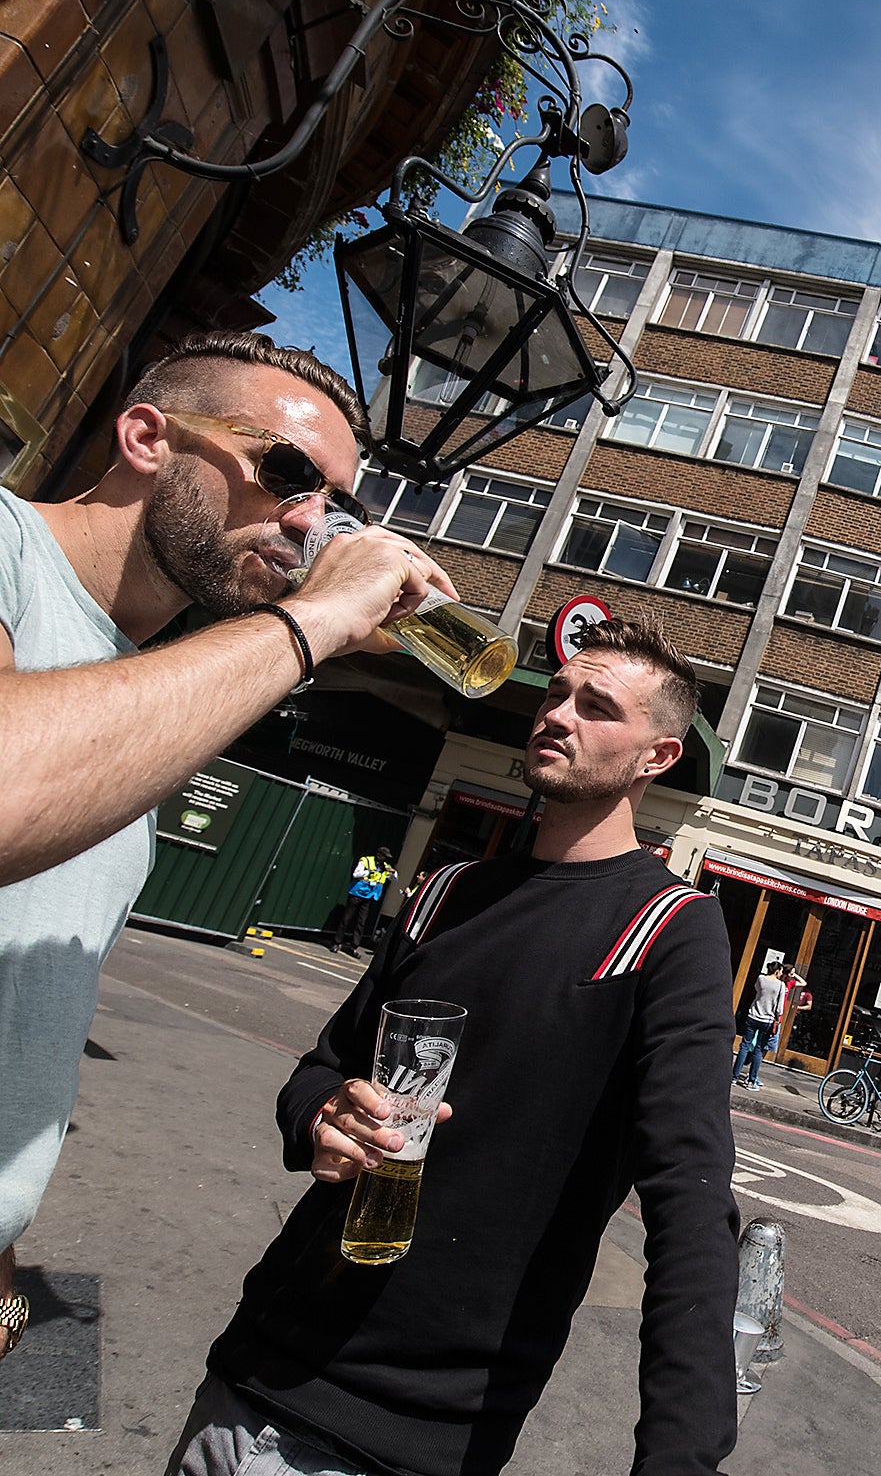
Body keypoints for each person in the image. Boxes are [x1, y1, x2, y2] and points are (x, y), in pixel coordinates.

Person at [165, 617, 740, 1476]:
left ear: (655, 758)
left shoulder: (670, 928)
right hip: (253, 1367)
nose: (557, 715)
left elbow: (690, 1196)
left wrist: (679, 1458)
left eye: (595, 706)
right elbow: (324, 1065)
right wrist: (323, 1116)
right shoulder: (446, 890)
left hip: (410, 1430)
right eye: (553, 695)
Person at [0, 332, 449, 1361]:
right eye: (286, 473)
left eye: (332, 503)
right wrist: (320, 615)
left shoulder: (138, 694)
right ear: (148, 436)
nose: (307, 520)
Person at [733, 958, 795, 1089]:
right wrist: (777, 1019)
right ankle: (751, 1081)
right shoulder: (781, 986)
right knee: (759, 1050)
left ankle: (734, 1076)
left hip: (753, 1015)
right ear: (778, 971)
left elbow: (757, 990)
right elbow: (779, 1009)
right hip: (767, 1020)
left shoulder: (761, 979)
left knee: (744, 1046)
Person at [334, 846, 396, 955]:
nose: (385, 859)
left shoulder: (385, 866)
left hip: (369, 896)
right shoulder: (366, 860)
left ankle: (354, 946)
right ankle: (336, 942)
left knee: (361, 922)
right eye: (384, 857)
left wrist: (393, 872)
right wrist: (369, 872)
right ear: (379, 855)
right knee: (346, 919)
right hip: (357, 893)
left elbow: (394, 878)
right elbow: (356, 874)